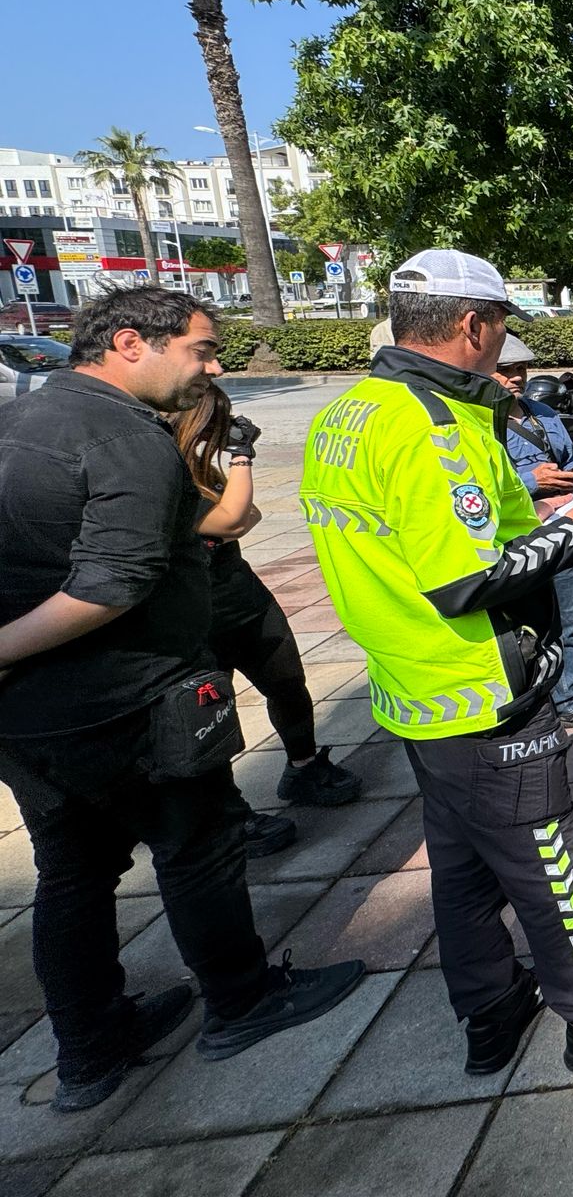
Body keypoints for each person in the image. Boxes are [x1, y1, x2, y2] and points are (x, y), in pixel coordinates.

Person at [300, 250, 573, 1076]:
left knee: (462, 871)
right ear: (472, 324)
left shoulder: (350, 412)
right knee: (548, 866)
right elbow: (465, 580)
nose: (502, 345)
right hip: (485, 691)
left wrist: (543, 511)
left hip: (414, 688)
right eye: (501, 326)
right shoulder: (434, 429)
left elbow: (428, 541)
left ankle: (489, 1011)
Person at [0, 288, 365, 1112]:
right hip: (130, 703)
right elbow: (112, 583)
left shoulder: (23, 419)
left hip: (31, 717)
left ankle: (89, 1048)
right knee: (198, 847)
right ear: (131, 343)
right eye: (202, 349)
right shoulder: (129, 438)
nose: (215, 366)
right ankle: (242, 1000)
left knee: (73, 872)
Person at [170, 384, 366, 844]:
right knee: (210, 715)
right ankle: (226, 813)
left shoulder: (202, 470)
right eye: (218, 423)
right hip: (194, 616)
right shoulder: (165, 473)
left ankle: (304, 767)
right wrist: (241, 458)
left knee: (287, 683)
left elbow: (248, 514)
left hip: (243, 600)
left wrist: (230, 489)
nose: (222, 433)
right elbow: (231, 520)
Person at [492, 333, 573, 735]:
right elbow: (475, 488)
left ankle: (571, 702)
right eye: (504, 369)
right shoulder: (474, 423)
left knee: (566, 625)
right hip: (509, 543)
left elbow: (569, 461)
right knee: (514, 631)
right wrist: (531, 481)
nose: (515, 377)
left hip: (559, 533)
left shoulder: (543, 414)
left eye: (520, 369)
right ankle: (524, 708)